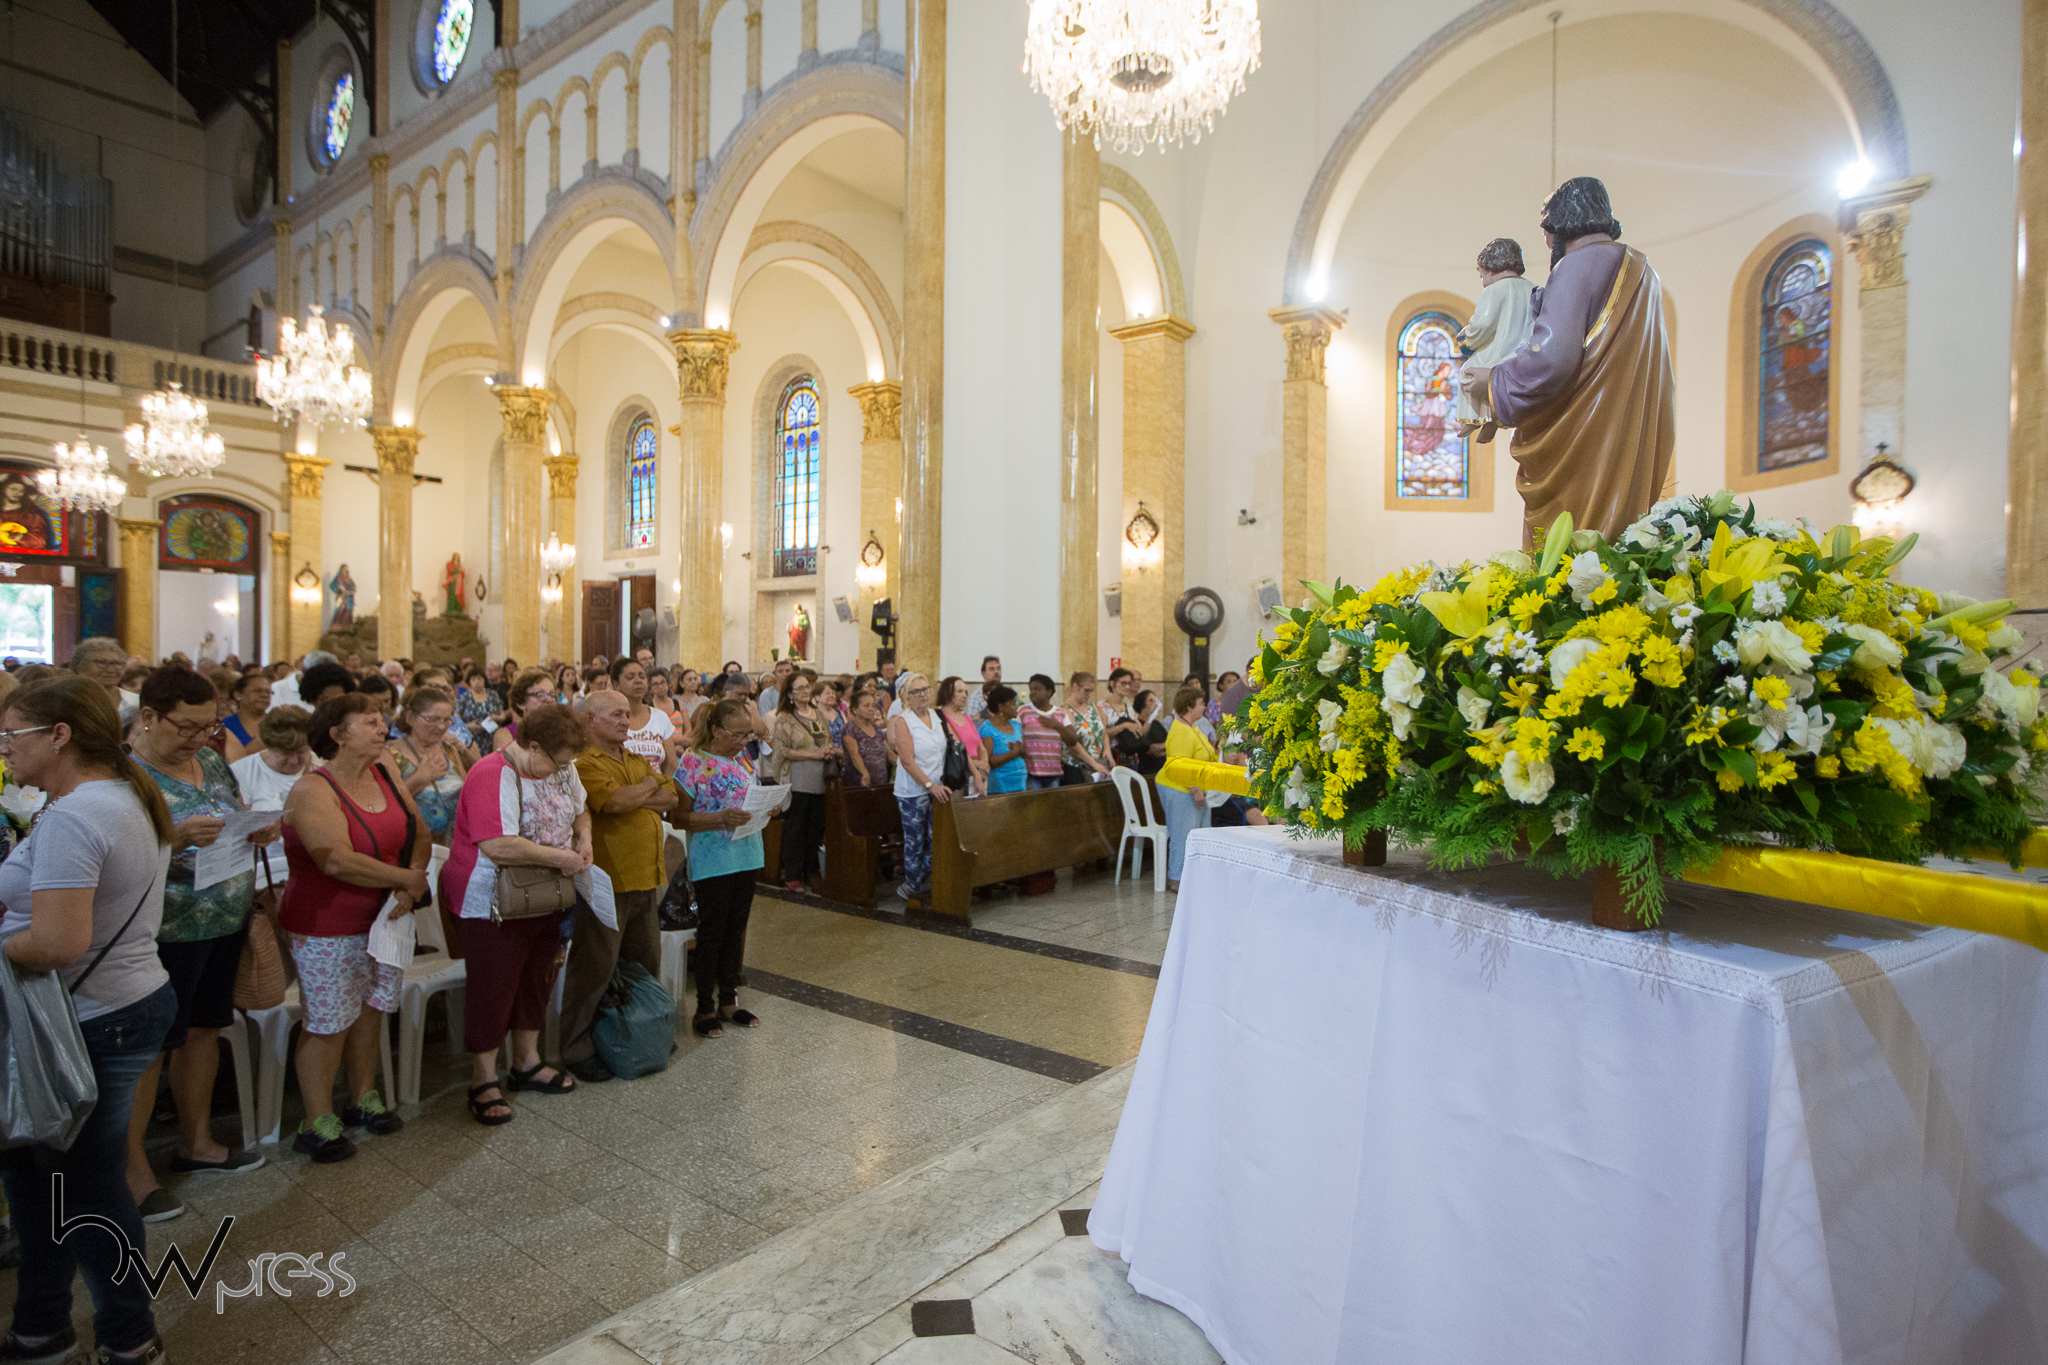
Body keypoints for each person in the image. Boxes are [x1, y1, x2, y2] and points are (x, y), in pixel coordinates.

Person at [0, 676, 177, 1365]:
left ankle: (129, 1336)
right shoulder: (121, 793)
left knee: (87, 1188)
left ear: (60, 735)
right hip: (115, 1003)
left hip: (92, 1015)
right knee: (39, 1179)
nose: (4, 749)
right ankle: (41, 1326)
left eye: (11, 734)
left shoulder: (79, 814)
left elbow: (57, 943)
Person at [124, 667, 277, 1221]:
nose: (198, 738)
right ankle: (131, 1171)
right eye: (186, 727)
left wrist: (255, 828)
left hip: (223, 918)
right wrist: (173, 836)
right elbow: (110, 852)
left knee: (204, 1030)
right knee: (150, 1050)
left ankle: (197, 1142)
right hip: (161, 929)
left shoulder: (211, 761)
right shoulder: (124, 775)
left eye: (208, 727)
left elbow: (230, 811)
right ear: (148, 717)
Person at [1461, 176, 1675, 539]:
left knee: (1575, 548)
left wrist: (1494, 381)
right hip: (1634, 429)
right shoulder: (1644, 271)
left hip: (1584, 435)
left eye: (1547, 229)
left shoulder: (1575, 266)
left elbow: (1552, 360)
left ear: (1563, 223)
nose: (1546, 240)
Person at [279, 694, 429, 1161]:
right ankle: (316, 1119)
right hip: (328, 923)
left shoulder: (384, 772)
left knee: (372, 1010)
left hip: (385, 918)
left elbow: (418, 833)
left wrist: (409, 887)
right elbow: (336, 860)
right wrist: (405, 880)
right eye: (370, 722)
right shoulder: (312, 789)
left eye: (382, 720)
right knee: (329, 1021)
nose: (383, 729)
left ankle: (363, 1096)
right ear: (337, 735)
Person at [441, 705, 591, 1125]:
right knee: (494, 985)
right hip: (493, 898)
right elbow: (497, 844)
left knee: (537, 978)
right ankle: (483, 1078)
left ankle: (526, 1061)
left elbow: (581, 809)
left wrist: (584, 837)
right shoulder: (492, 772)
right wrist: (559, 857)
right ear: (533, 746)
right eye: (557, 762)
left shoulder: (562, 768)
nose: (562, 770)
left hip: (546, 894)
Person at [566, 691, 679, 1082]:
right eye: (615, 714)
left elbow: (671, 795)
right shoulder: (584, 763)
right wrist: (646, 787)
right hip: (609, 881)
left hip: (646, 876)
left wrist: (639, 792)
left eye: (626, 714)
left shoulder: (632, 758)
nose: (624, 720)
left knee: (644, 962)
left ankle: (639, 1030)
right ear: (589, 721)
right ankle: (577, 1047)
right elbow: (612, 802)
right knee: (595, 967)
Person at [675, 699, 764, 1037]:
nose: (743, 742)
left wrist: (766, 808)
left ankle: (729, 1000)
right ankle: (704, 1007)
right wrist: (720, 818)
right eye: (736, 735)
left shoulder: (743, 759)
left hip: (747, 853)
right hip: (713, 858)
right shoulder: (693, 762)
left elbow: (749, 796)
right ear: (715, 730)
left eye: (747, 735)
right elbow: (679, 817)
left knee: (735, 929)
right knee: (712, 932)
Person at [1454, 237, 1537, 445]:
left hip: (1501, 351)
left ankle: (1474, 419)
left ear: (1490, 269)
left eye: (1482, 275)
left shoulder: (1494, 290)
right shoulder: (1534, 289)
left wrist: (1468, 336)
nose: (1483, 281)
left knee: (1468, 372)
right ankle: (1494, 420)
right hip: (1525, 355)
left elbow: (1483, 324)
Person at [888, 674, 951, 902]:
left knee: (937, 841)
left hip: (937, 788)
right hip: (913, 792)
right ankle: (913, 891)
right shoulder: (903, 721)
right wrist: (929, 785)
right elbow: (907, 760)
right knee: (915, 843)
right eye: (916, 691)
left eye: (925, 689)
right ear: (907, 696)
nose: (922, 694)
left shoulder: (936, 715)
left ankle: (913, 883)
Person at [770, 673, 834, 892]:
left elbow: (826, 739)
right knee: (797, 828)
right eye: (800, 688)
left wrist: (827, 750)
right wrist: (812, 754)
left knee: (815, 827)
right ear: (790, 693)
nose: (806, 691)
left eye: (808, 687)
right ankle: (793, 874)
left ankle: (811, 871)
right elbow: (781, 750)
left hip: (819, 778)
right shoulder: (785, 718)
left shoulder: (818, 713)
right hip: (798, 779)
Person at [389, 685, 472, 844]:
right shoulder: (390, 754)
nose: (441, 726)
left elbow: (467, 793)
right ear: (410, 718)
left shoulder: (449, 750)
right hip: (414, 845)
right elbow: (386, 804)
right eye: (432, 719)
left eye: (446, 720)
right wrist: (419, 778)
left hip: (455, 843)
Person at [1156, 685, 1218, 892]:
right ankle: (1177, 878)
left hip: (1197, 787)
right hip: (1180, 788)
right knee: (1183, 833)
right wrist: (1195, 790)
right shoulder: (1180, 731)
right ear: (1190, 707)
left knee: (1201, 832)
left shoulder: (1193, 726)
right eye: (1201, 704)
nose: (1205, 708)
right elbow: (1179, 767)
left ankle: (1196, 875)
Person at [231, 705, 312, 812]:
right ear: (269, 747)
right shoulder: (242, 771)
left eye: (301, 752)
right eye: (286, 753)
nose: (294, 761)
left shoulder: (321, 765)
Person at [611, 657, 675, 774]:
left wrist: (662, 784)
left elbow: (671, 765)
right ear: (616, 684)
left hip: (659, 783)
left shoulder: (660, 717)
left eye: (642, 676)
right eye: (630, 677)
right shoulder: (609, 720)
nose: (638, 681)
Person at [1019, 674, 1081, 791]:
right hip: (1031, 774)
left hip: (1054, 774)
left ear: (1049, 692)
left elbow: (1073, 740)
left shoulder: (1061, 713)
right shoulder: (1023, 712)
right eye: (1031, 689)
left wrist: (1057, 726)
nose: (1033, 692)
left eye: (1037, 689)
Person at [934, 678, 987, 796]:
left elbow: (980, 746)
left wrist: (984, 767)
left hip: (976, 775)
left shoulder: (967, 718)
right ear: (948, 693)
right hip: (958, 776)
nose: (964, 695)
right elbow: (957, 748)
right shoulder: (941, 718)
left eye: (966, 692)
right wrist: (977, 768)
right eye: (959, 691)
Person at [69, 635, 132, 726]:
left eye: (116, 663)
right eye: (102, 663)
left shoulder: (136, 703)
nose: (111, 670)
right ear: (80, 667)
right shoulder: (68, 702)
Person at [977, 685, 1026, 795]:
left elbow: (1024, 754)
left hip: (1020, 782)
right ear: (1001, 707)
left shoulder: (1017, 726)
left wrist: (1022, 750)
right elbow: (988, 760)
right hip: (1000, 785)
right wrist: (1012, 753)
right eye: (1013, 704)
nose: (1016, 707)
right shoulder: (987, 729)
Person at [492, 668, 556, 752]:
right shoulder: (506, 736)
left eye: (552, 694)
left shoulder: (559, 732)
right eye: (540, 694)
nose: (549, 699)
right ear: (521, 703)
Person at [841, 687, 893, 789]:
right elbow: (854, 755)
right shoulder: (850, 729)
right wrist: (865, 774)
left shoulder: (877, 729)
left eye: (873, 705)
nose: (871, 709)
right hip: (860, 784)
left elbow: (889, 753)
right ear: (855, 710)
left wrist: (901, 763)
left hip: (881, 783)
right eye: (866, 706)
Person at [220, 668, 272, 762]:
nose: (264, 695)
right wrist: (246, 753)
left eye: (268, 692)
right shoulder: (223, 726)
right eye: (257, 691)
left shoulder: (279, 724)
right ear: (237, 695)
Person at [1116, 689, 1171, 778]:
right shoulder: (1136, 725)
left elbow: (1170, 742)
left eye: (1155, 701)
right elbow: (1149, 749)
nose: (1155, 704)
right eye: (1151, 701)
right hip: (1148, 769)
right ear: (1142, 704)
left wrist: (1163, 746)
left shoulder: (1156, 724)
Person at [965, 655, 1002, 720]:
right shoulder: (976, 697)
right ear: (984, 674)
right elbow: (972, 722)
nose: (996, 672)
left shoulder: (1008, 693)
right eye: (992, 669)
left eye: (998, 668)